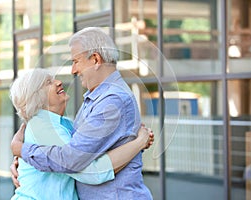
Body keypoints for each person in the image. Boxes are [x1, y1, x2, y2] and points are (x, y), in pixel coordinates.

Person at [11, 27, 153, 199]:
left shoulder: (111, 102)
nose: (72, 70)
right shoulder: (94, 99)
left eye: (76, 61)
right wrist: (24, 161)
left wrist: (23, 150)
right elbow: (71, 156)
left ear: (95, 60)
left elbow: (72, 160)